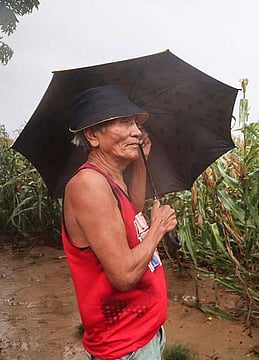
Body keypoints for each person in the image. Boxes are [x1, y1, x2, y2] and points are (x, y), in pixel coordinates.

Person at [61, 84, 177, 360]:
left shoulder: (111, 179)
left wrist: (141, 162)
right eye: (125, 122)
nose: (137, 131)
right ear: (92, 134)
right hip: (125, 345)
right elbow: (123, 275)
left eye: (136, 123)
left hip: (144, 332)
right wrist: (157, 229)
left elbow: (130, 215)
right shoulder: (89, 185)